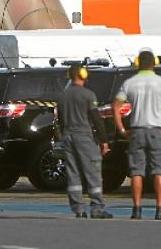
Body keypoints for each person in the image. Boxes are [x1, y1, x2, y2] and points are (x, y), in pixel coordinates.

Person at [113, 50, 161, 220]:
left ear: (138, 63)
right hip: (157, 130)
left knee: (137, 171)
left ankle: (136, 210)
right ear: (154, 64)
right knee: (159, 170)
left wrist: (122, 129)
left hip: (137, 130)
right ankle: (160, 209)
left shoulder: (130, 83)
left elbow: (115, 106)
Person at [57, 65, 113, 219]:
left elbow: (60, 121)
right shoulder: (88, 95)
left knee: (73, 173)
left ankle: (78, 209)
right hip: (84, 137)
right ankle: (97, 208)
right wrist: (104, 141)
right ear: (83, 75)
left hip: (68, 136)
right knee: (93, 172)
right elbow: (96, 119)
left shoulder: (62, 96)